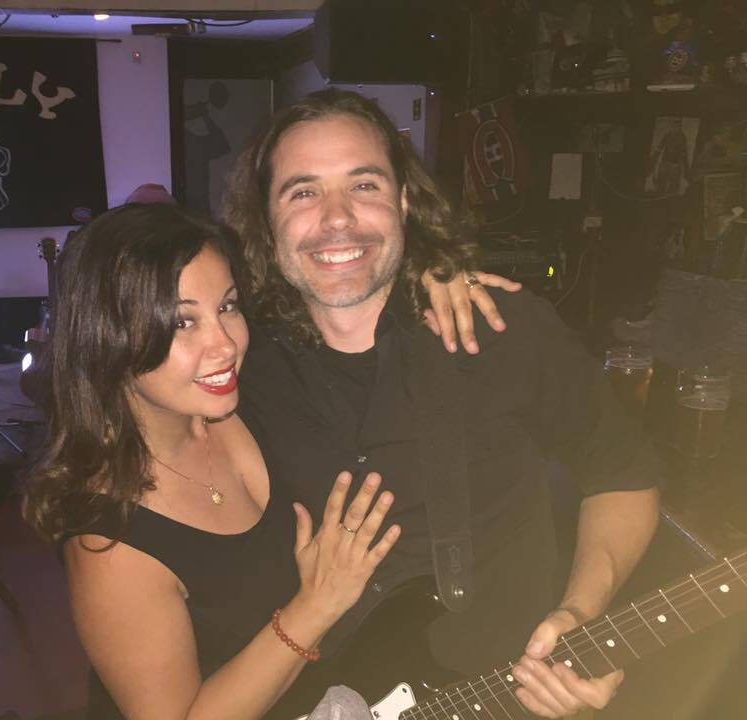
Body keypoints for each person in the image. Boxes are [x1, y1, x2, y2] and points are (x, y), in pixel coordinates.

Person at [221, 88, 660, 718]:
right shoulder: (238, 363)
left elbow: (624, 474)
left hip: (499, 697)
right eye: (303, 191)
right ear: (266, 221)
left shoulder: (505, 331)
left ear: (403, 202)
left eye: (364, 185)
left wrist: (582, 616)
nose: (338, 217)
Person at [23, 203, 403, 720]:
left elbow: (348, 313)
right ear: (108, 340)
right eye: (183, 321)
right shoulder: (108, 542)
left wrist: (442, 279)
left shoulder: (252, 396)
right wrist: (317, 605)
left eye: (227, 307)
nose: (224, 345)